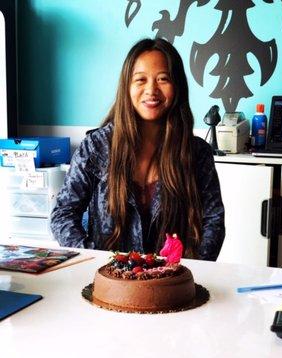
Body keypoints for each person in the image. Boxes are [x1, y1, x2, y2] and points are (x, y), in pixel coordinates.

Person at [50, 37, 225, 261]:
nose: (151, 90)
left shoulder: (196, 153)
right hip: (110, 282)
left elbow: (214, 221)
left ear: (177, 86)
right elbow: (63, 215)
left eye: (163, 79)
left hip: (171, 284)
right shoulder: (95, 147)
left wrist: (190, 270)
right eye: (140, 80)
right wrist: (95, 262)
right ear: (127, 87)